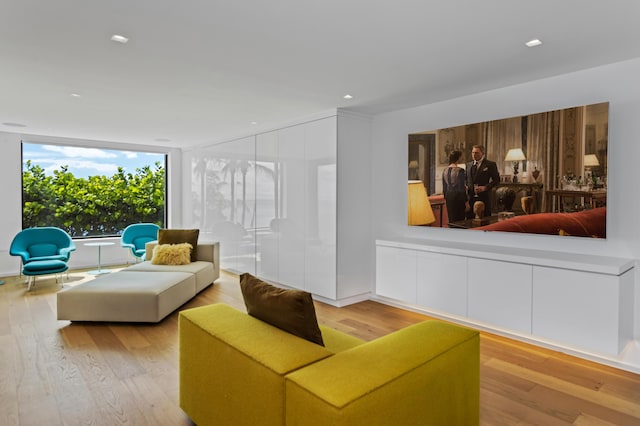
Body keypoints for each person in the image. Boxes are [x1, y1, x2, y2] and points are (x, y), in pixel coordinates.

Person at [467, 145, 500, 218]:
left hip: (484, 197)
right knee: (469, 220)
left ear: (483, 153)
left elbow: (497, 180)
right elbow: (466, 179)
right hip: (471, 197)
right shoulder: (468, 165)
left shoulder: (490, 164)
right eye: (473, 153)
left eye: (476, 153)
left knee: (485, 219)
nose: (474, 155)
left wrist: (485, 187)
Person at [442, 150, 469, 222]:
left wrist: (446, 198)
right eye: (461, 157)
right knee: (459, 221)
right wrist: (466, 202)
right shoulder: (460, 170)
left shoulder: (445, 170)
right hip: (458, 198)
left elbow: (444, 188)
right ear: (458, 158)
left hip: (449, 197)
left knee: (451, 219)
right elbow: (461, 188)